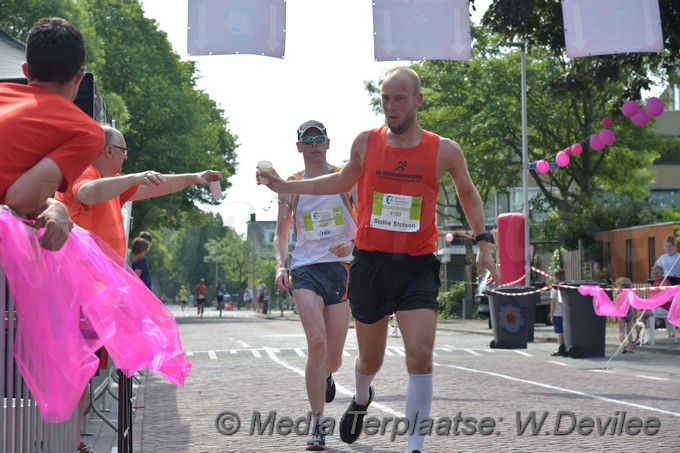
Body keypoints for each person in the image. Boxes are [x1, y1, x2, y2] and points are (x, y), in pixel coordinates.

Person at [258, 67, 498, 453]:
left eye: (399, 98)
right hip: (369, 264)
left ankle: (415, 447)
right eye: (385, 98)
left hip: (417, 265)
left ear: (418, 100)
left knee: (420, 356)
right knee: (370, 359)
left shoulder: (445, 150)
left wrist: (484, 242)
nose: (390, 106)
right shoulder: (365, 144)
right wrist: (284, 186)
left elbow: (469, 195)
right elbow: (334, 183)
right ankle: (363, 394)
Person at [273, 120, 358, 450]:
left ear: (328, 143)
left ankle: (326, 374)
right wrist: (282, 265)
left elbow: (364, 221)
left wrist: (353, 245)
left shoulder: (345, 179)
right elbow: (282, 234)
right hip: (305, 268)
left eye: (319, 138)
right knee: (317, 342)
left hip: (340, 269)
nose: (314, 143)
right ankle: (318, 425)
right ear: (298, 146)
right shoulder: (290, 186)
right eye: (307, 139)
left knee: (333, 357)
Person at [0, 17, 104, 253]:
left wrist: (52, 204)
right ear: (79, 76)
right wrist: (58, 208)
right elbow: (19, 199)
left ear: (26, 70)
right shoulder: (85, 131)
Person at [56, 124, 222, 259]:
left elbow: (156, 184)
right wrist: (132, 178)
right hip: (83, 280)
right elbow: (86, 194)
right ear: (109, 151)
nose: (126, 157)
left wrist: (195, 177)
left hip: (99, 279)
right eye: (124, 151)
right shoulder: (83, 171)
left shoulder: (112, 180)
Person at [635, 265, 677, 345]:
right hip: (655, 307)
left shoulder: (664, 282)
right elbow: (651, 297)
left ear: (662, 273)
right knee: (638, 314)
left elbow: (661, 299)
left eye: (657, 273)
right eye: (653, 273)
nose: (655, 275)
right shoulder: (655, 283)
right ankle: (639, 337)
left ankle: (642, 338)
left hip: (664, 309)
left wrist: (649, 305)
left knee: (641, 315)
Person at [549, 269, 568, 357]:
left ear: (555, 277)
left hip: (557, 313)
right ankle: (565, 346)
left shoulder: (554, 290)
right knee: (565, 331)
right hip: (566, 314)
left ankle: (561, 348)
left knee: (560, 332)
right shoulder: (566, 288)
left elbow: (553, 303)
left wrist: (551, 314)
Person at [615, 277, 635, 354]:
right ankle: (631, 348)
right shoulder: (630, 294)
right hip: (629, 314)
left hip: (621, 314)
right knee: (629, 332)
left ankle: (623, 346)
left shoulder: (619, 295)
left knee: (621, 331)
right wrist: (634, 315)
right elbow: (634, 305)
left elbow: (616, 304)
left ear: (620, 286)